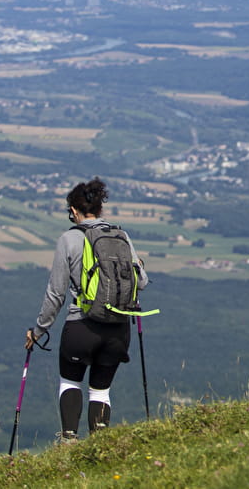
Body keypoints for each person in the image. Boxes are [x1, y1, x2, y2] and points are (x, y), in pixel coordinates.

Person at [25, 177, 148, 443]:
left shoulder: (69, 239)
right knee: (101, 391)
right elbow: (143, 281)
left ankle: (69, 441)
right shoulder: (121, 236)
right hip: (118, 328)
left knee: (70, 383)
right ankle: (100, 448)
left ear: (73, 211)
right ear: (100, 209)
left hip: (81, 326)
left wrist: (38, 331)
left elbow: (55, 293)